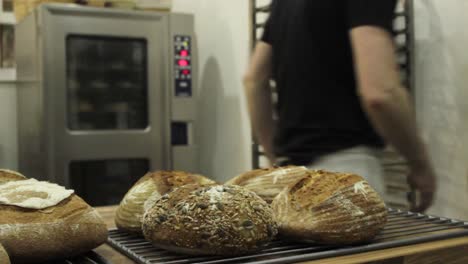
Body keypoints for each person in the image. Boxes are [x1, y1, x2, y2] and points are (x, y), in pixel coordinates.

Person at [243, 0, 436, 212]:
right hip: (346, 174)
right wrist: (420, 164)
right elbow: (380, 93)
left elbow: (254, 80)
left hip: (291, 178)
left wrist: (273, 157)